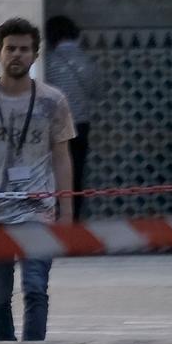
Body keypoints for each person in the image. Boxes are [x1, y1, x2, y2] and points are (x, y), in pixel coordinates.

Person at [0, 18, 76, 342]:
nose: (17, 55)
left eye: (24, 49)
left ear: (35, 55)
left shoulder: (53, 101)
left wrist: (67, 211)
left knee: (35, 288)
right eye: (10, 49)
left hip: (37, 211)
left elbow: (62, 156)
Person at [44, 15, 100, 219]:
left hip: (55, 126)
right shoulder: (86, 60)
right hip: (81, 124)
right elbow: (97, 89)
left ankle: (54, 217)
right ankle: (73, 220)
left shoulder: (48, 62)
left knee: (54, 173)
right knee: (76, 174)